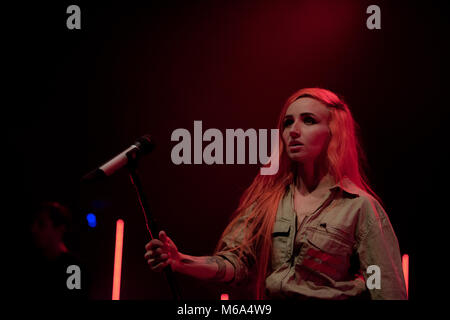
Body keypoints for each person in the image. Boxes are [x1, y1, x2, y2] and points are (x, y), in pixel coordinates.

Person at [144, 88, 407, 300]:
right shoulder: (267, 201)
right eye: (287, 122)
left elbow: (385, 287)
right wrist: (180, 261)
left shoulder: (359, 207)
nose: (293, 131)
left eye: (309, 120)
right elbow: (235, 263)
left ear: (333, 133)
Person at [29, 201, 89, 300]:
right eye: (33, 224)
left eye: (41, 224)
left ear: (59, 229)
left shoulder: (73, 267)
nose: (33, 230)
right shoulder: (36, 262)